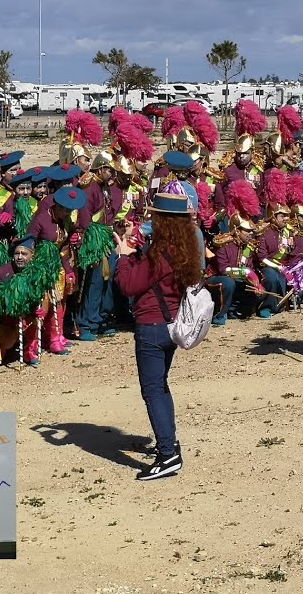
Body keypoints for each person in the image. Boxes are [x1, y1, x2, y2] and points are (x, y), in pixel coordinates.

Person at [113, 193, 203, 481]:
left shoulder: (163, 251)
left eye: (154, 216)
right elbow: (150, 274)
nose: (150, 220)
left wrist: (123, 256)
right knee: (160, 386)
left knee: (153, 390)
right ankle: (169, 443)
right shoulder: (183, 246)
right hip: (170, 324)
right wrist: (135, 247)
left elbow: (129, 284)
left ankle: (167, 455)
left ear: (163, 220)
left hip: (152, 327)